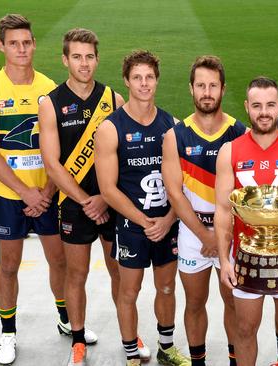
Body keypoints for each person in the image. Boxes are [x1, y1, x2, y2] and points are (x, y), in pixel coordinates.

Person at [0, 14, 66, 364]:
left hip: (48, 193)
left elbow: (60, 150)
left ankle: (67, 320)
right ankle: (8, 333)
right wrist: (26, 193)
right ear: (2, 46)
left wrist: (46, 190)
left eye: (26, 42)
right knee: (9, 265)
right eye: (14, 43)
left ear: (34, 44)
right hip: (10, 196)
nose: (22, 49)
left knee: (59, 261)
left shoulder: (50, 89)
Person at [95, 50, 190, 366]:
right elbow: (108, 189)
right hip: (132, 226)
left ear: (157, 80)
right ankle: (132, 355)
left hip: (167, 222)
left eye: (149, 76)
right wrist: (146, 221)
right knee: (128, 291)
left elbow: (183, 184)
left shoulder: (172, 125)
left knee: (166, 287)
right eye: (137, 77)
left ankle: (166, 348)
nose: (144, 83)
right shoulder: (111, 128)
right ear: (126, 80)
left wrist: (169, 218)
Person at [215, 76, 278, 366]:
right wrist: (225, 259)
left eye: (270, 105)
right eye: (257, 105)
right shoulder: (230, 151)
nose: (264, 112)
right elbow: (224, 212)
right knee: (245, 329)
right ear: (247, 107)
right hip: (245, 257)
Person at [38, 28, 126, 365]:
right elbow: (52, 163)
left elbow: (122, 155)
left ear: (97, 58)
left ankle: (128, 334)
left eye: (89, 56)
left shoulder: (113, 98)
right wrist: (86, 200)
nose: (84, 63)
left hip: (111, 203)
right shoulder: (52, 103)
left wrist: (104, 197)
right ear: (65, 59)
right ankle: (77, 339)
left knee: (120, 272)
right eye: (77, 56)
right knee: (77, 275)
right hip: (75, 206)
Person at [162, 55, 245, 366]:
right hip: (192, 235)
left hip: (232, 233)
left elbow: (245, 193)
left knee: (233, 302)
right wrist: (205, 236)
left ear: (223, 89)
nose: (207, 92)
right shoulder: (176, 135)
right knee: (195, 303)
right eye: (201, 85)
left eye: (213, 85)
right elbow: (174, 193)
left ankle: (236, 360)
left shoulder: (239, 132)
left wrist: (220, 237)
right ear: (191, 89)